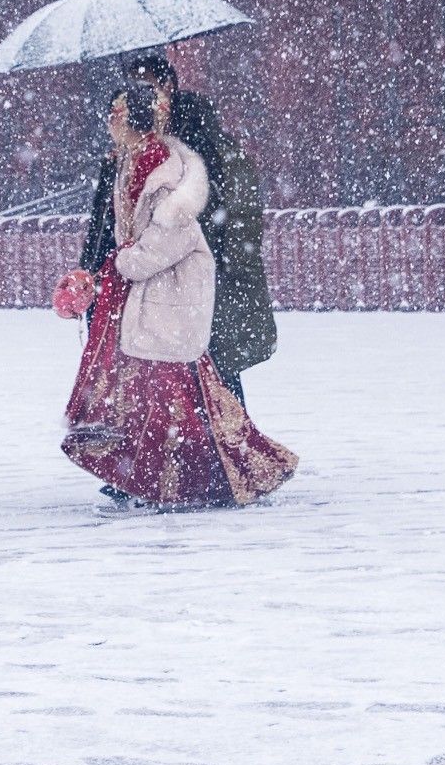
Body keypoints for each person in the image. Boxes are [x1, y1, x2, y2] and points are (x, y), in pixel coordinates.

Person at [57, 80, 296, 509]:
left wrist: (127, 262)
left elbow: (176, 233)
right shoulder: (129, 161)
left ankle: (227, 471)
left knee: (173, 390)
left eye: (116, 113)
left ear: (132, 120)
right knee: (150, 389)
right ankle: (152, 478)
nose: (110, 122)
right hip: (142, 289)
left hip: (167, 289)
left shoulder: (158, 165)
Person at [83, 53, 279, 408]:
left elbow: (217, 219)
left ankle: (224, 456)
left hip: (189, 282)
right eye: (134, 87)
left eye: (149, 85)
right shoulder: (127, 156)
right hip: (145, 285)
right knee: (157, 387)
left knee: (209, 381)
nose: (141, 95)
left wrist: (218, 272)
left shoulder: (194, 149)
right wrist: (94, 276)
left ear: (169, 88)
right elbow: (105, 227)